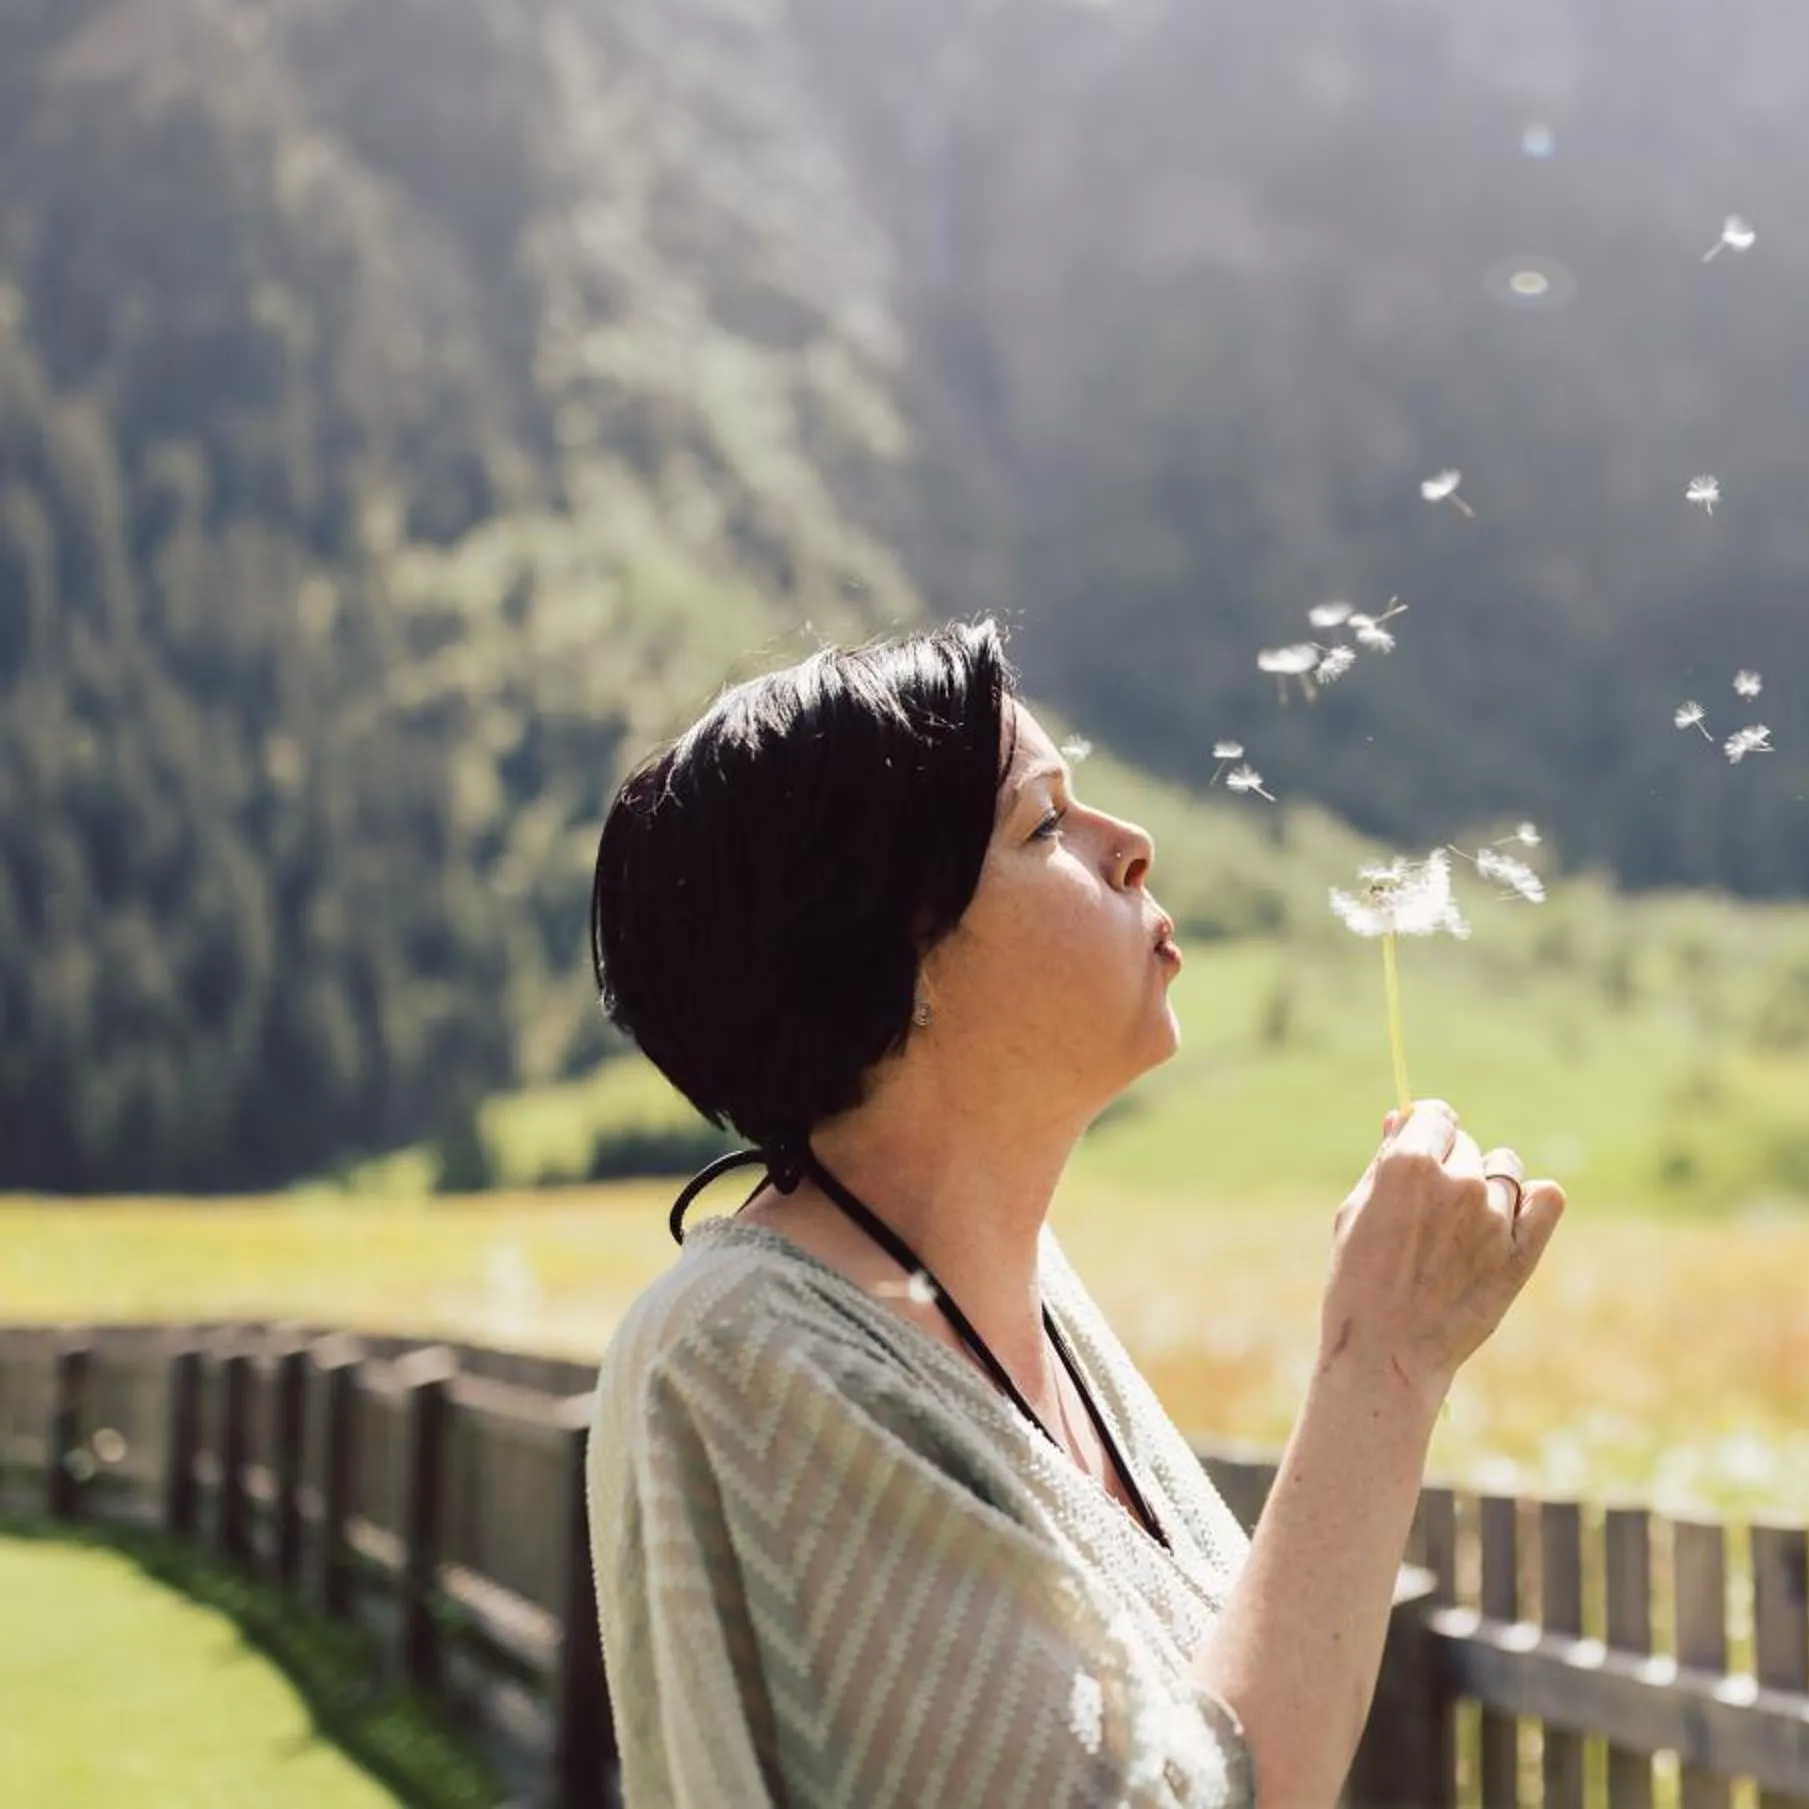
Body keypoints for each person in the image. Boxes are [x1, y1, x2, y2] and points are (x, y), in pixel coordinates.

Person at [584, 617, 1564, 1807]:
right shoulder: (742, 1361)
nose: (1132, 845)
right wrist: (1384, 1367)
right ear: (893, 956)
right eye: (1045, 820)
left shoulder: (1029, 1293)